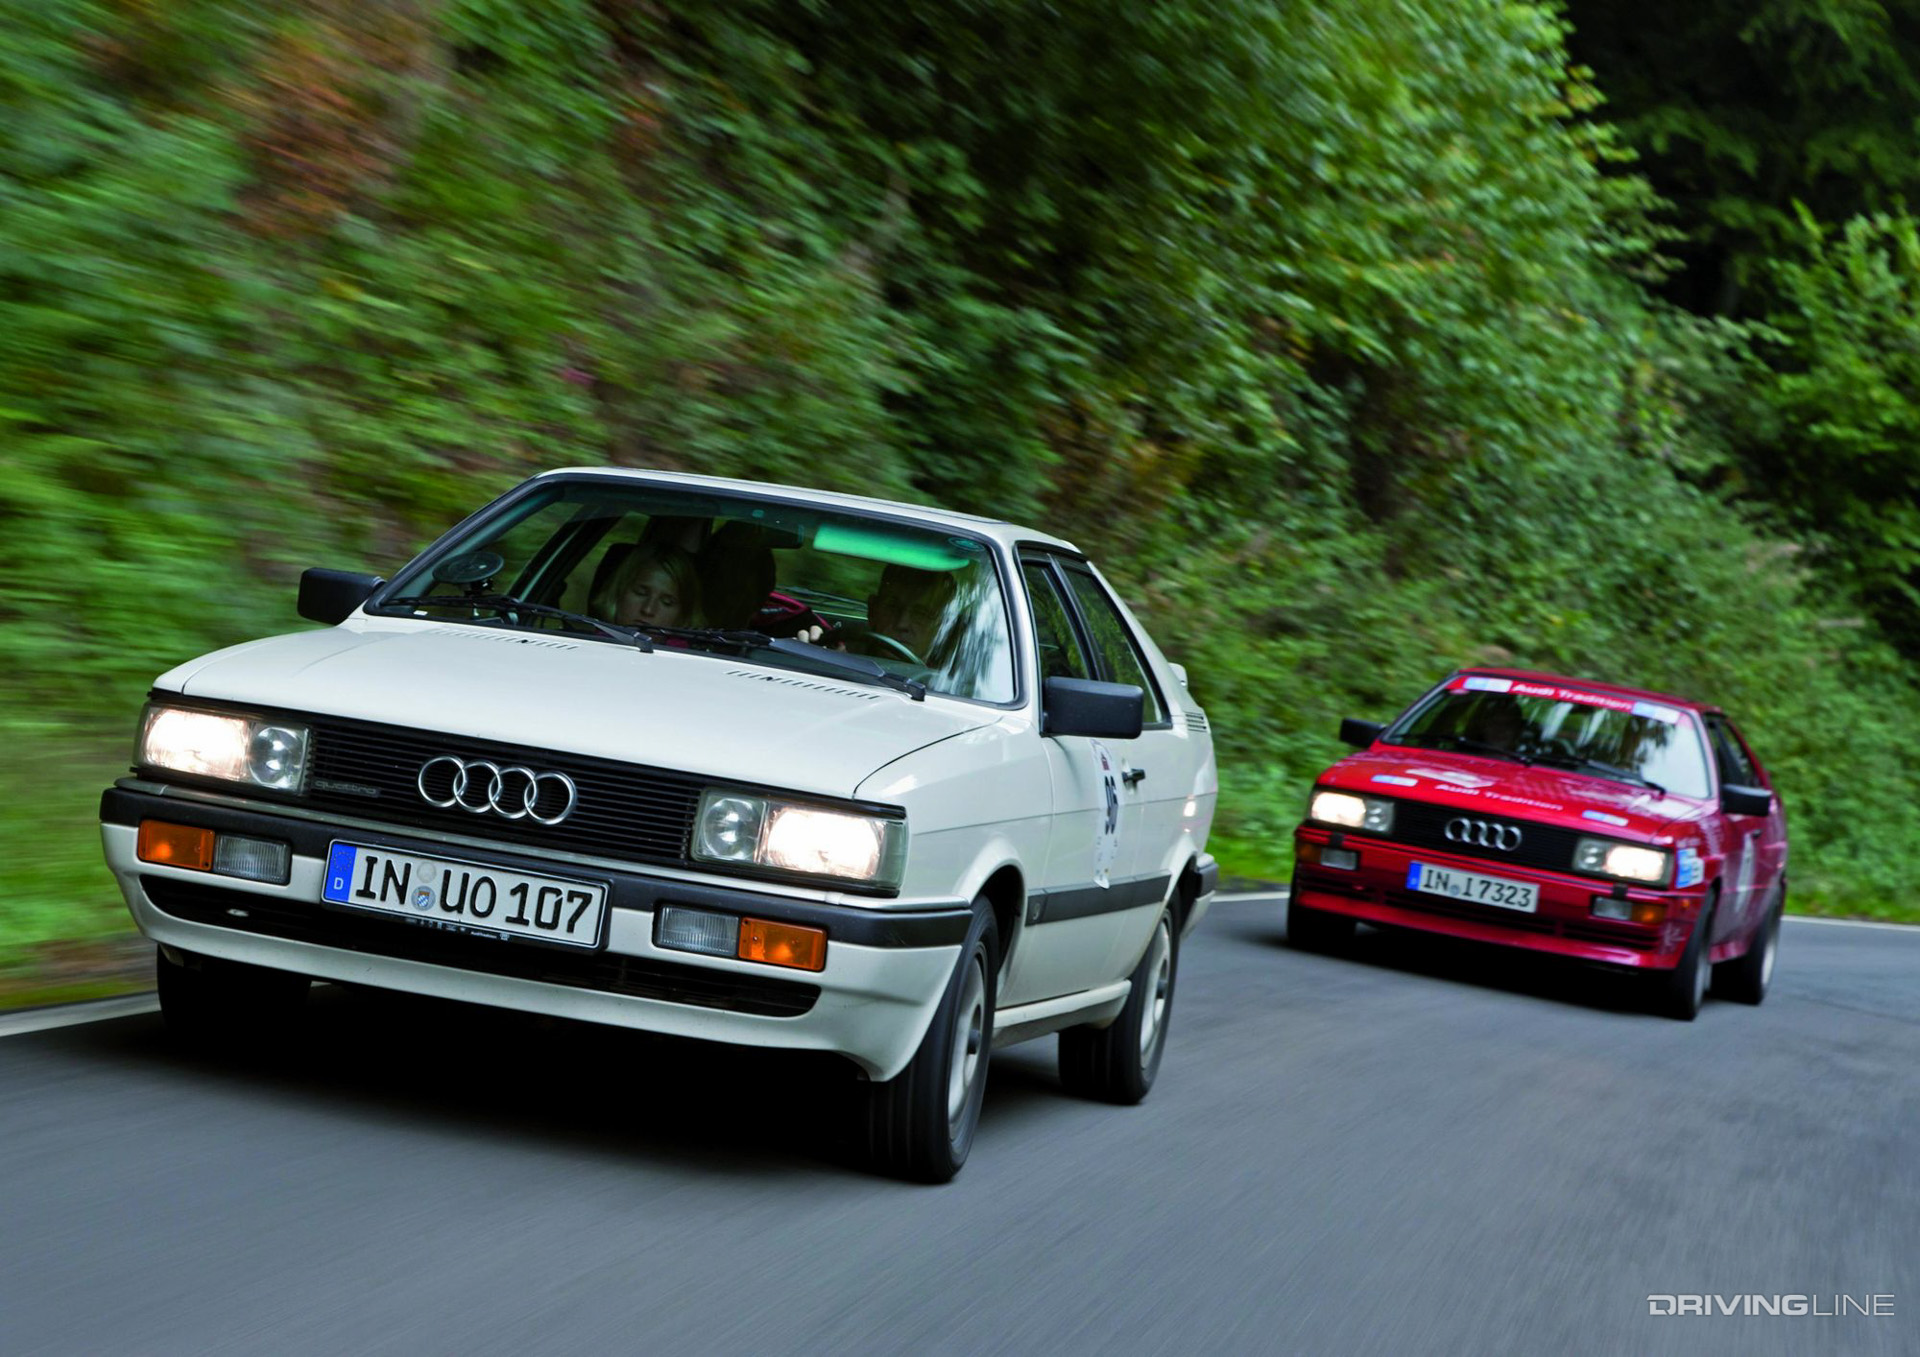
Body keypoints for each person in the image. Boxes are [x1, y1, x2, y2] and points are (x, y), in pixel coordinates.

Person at [602, 543, 701, 630]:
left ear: (682, 615)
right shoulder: (589, 643)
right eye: (641, 593)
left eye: (667, 602)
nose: (648, 609)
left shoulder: (685, 652)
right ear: (619, 592)